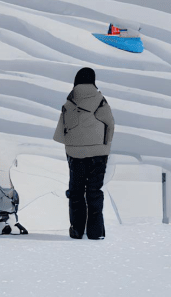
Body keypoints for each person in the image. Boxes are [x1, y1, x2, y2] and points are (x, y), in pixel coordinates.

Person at [53, 67, 115, 240]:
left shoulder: (69, 102)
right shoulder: (100, 100)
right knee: (94, 191)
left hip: (75, 152)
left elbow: (60, 133)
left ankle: (77, 230)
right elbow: (110, 124)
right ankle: (96, 232)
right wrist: (106, 145)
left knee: (76, 191)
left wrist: (72, 146)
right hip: (98, 152)